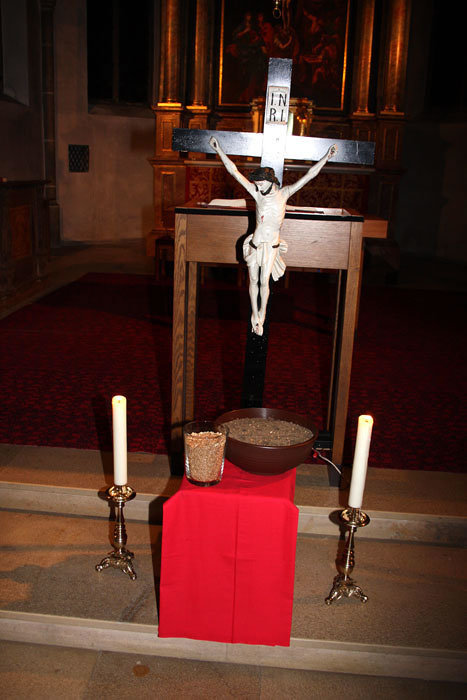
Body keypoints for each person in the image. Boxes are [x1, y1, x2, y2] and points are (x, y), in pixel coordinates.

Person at [209, 135, 337, 335]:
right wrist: (219, 150)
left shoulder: (284, 194)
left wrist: (326, 157)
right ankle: (254, 314)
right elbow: (234, 172)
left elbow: (309, 176)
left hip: (272, 245)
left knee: (264, 281)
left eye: (260, 183)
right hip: (255, 244)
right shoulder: (256, 194)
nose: (258, 186)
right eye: (257, 184)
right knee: (253, 281)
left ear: (270, 182)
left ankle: (262, 315)